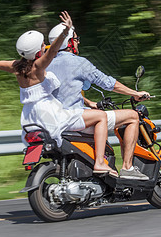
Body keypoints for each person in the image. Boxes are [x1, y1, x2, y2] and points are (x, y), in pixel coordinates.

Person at [0, 11, 118, 177]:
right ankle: (99, 162)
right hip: (49, 113)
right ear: (37, 52)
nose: (44, 46)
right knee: (100, 116)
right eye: (42, 45)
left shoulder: (16, 67)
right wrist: (64, 32)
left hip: (29, 116)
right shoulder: (38, 67)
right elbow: (53, 50)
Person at [47, 21, 150, 180]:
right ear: (69, 42)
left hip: (53, 120)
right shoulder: (79, 62)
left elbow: (61, 92)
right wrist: (135, 93)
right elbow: (108, 83)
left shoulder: (45, 65)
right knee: (132, 116)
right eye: (75, 38)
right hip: (75, 121)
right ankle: (127, 167)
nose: (78, 41)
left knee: (96, 114)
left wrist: (89, 103)